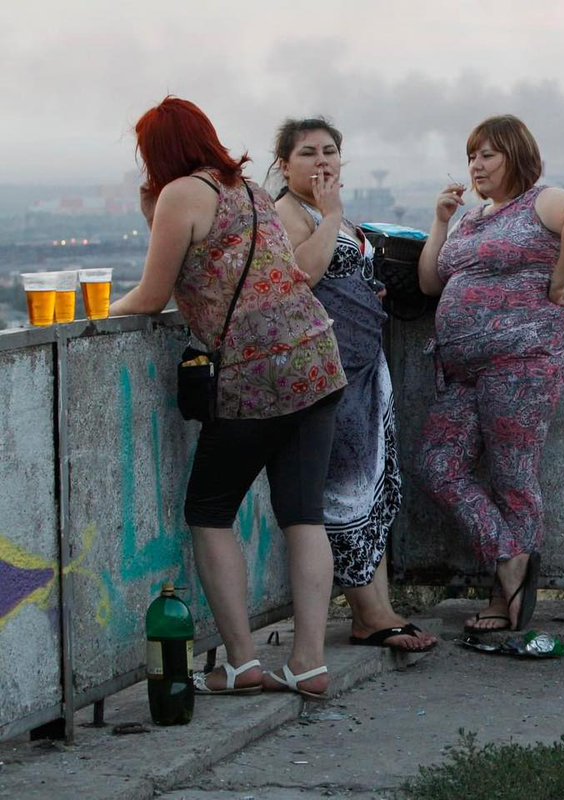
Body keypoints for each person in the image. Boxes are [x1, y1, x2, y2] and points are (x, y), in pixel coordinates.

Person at [110, 97, 345, 700]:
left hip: (257, 374)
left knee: (210, 512)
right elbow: (212, 266)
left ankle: (241, 664)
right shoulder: (246, 188)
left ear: (157, 152)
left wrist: (94, 313)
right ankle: (309, 663)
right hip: (316, 359)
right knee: (302, 514)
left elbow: (151, 294)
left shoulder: (180, 194)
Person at [416, 114, 564, 634]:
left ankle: (506, 603)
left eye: (488, 154)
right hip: (463, 367)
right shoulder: (472, 219)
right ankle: (508, 555)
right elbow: (431, 282)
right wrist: (441, 220)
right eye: (472, 155)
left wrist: (556, 283)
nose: (476, 164)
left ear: (516, 157)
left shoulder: (541, 200)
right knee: (437, 464)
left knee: (512, 477)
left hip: (525, 358)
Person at [271, 117, 437, 653]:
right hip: (328, 374)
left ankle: (380, 610)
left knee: (375, 489)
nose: (322, 162)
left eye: (330, 152)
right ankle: (368, 613)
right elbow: (300, 276)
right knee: (343, 492)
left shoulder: (329, 216)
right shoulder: (286, 214)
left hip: (368, 367)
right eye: (308, 154)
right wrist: (336, 215)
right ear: (284, 165)